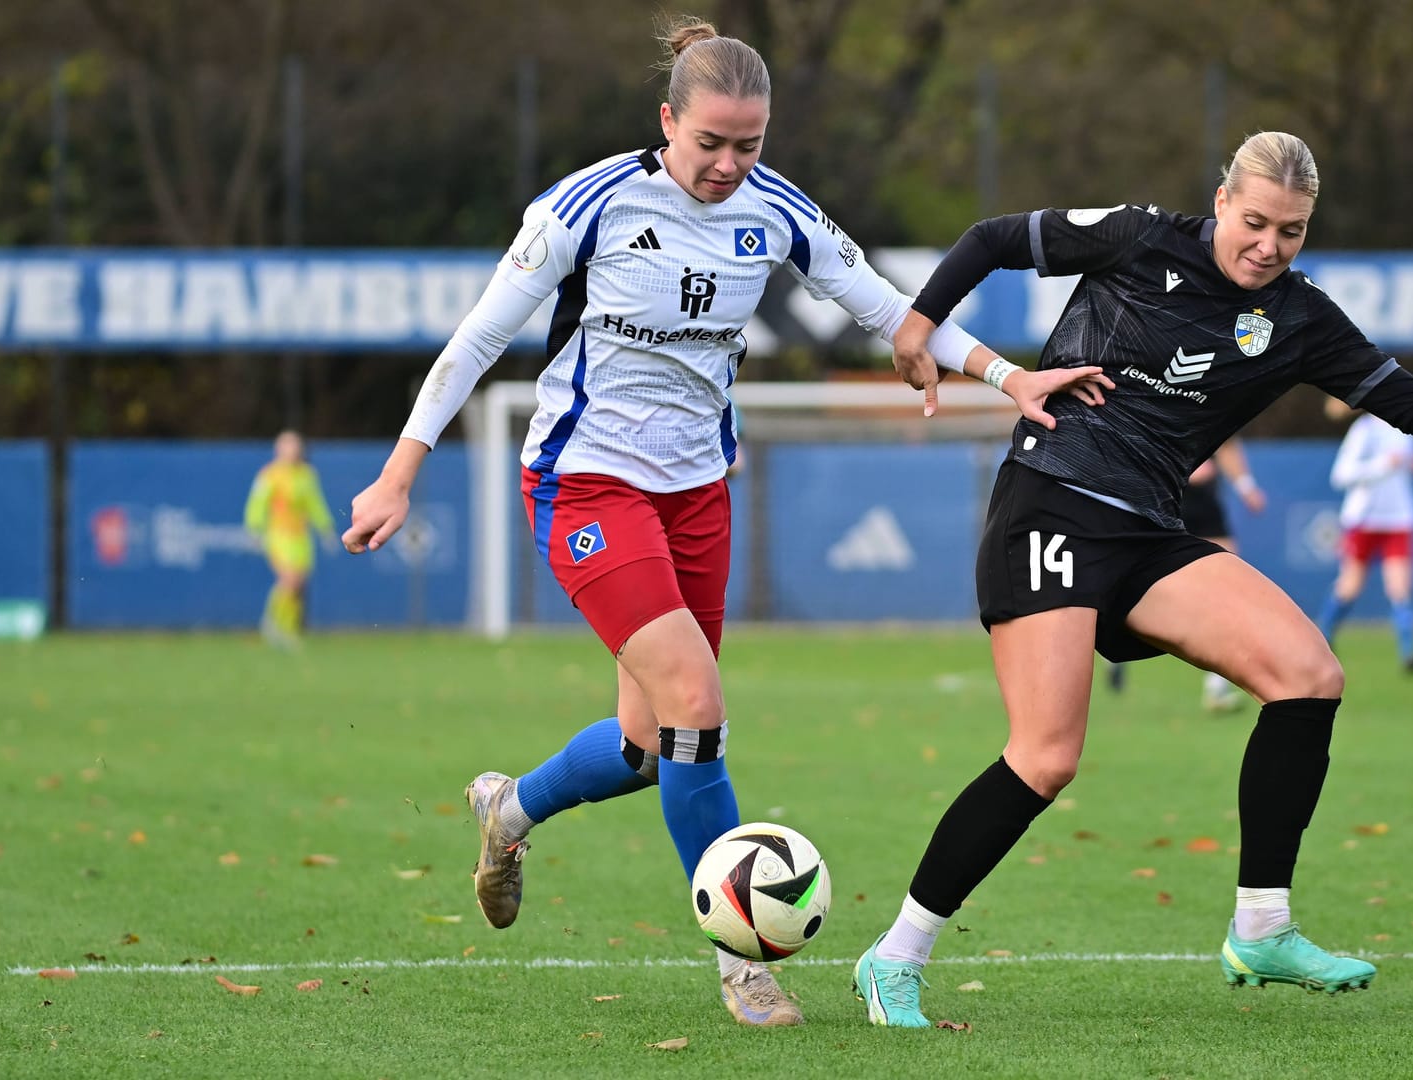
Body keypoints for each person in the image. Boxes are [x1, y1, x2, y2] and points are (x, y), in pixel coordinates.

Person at [335, 18, 1106, 1028]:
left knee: (646, 745)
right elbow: (477, 340)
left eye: (750, 144)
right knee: (698, 702)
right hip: (587, 486)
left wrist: (1004, 375)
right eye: (710, 143)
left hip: (698, 491)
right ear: (668, 121)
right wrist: (399, 474)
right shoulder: (589, 205)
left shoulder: (775, 211)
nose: (729, 164)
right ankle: (742, 958)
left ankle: (508, 809)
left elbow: (881, 304)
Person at [855, 130, 1413, 1027]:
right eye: (1256, 222)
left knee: (1309, 676)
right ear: (1222, 201)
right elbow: (996, 238)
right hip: (1053, 502)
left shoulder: (1301, 317)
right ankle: (895, 958)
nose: (1269, 246)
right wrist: (917, 325)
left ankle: (1261, 924)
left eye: (1293, 232)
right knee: (1047, 756)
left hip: (1151, 531)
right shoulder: (1138, 234)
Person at [1105, 440, 1266, 710]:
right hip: (1164, 497)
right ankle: (1114, 643)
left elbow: (1227, 444)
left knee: (1227, 591)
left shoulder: (1215, 402)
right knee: (1141, 585)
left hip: (1204, 502)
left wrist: (1245, 486)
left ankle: (1217, 687)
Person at [1315, 395, 1413, 673]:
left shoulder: (1404, 430)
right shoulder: (1363, 430)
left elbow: (1406, 464)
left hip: (1399, 518)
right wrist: (1383, 465)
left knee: (1399, 588)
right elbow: (1341, 475)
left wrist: (1407, 465)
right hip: (1362, 519)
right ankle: (1322, 637)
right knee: (1350, 586)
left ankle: (1409, 651)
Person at [244, 430, 334, 647]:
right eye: (287, 446)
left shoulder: (307, 475)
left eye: (295, 446)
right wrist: (255, 529)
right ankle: (271, 622)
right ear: (278, 449)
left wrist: (326, 529)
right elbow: (257, 504)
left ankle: (288, 629)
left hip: (301, 537)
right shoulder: (269, 475)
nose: (292, 451)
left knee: (299, 585)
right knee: (289, 580)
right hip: (278, 535)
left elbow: (315, 504)